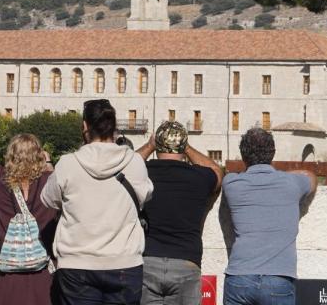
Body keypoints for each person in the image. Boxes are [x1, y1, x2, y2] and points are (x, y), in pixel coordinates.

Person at [41, 99, 154, 305]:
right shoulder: (134, 162)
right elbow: (145, 196)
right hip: (124, 263)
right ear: (114, 127)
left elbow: (48, 199)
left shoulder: (68, 163)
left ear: (85, 127)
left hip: (77, 264)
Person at [220, 127, 317, 305]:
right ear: (273, 153)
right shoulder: (292, 183)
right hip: (279, 277)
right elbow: (311, 176)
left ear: (243, 155)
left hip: (239, 276)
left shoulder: (231, 183)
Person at [135, 121, 223, 305]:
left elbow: (122, 168)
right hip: (186, 262)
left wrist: (150, 145)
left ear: (157, 145)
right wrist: (188, 147)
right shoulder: (199, 177)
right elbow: (217, 171)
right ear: (183, 147)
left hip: (148, 260)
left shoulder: (142, 173)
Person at [0, 133, 58, 305]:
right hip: (41, 276)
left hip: (8, 276)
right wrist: (48, 164)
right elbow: (58, 179)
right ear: (39, 156)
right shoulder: (49, 182)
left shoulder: (0, 182)